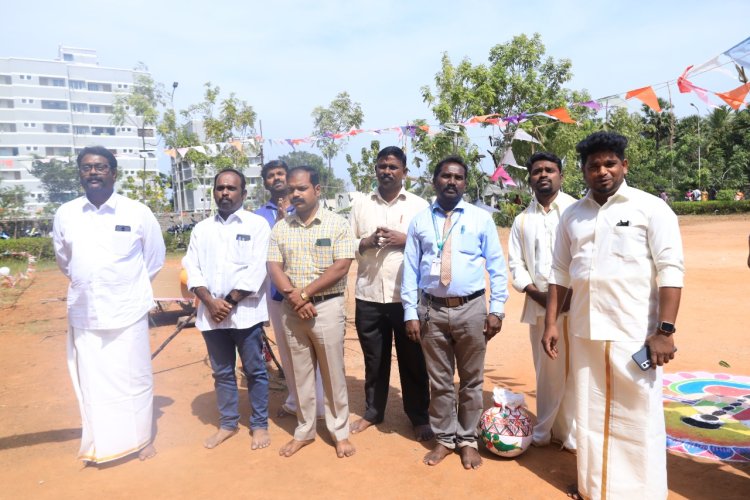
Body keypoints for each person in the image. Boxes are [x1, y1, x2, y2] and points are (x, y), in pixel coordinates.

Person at [542, 131, 684, 499]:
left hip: (634, 333)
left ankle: (641, 492)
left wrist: (664, 331)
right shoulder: (572, 216)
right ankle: (595, 487)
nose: (602, 171)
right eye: (593, 166)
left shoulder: (650, 208)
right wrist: (551, 323)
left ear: (624, 165)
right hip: (585, 331)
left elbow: (671, 270)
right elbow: (559, 273)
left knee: (638, 415)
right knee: (589, 413)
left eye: (609, 163)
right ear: (584, 171)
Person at [53, 145, 165, 464]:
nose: (93, 172)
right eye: (87, 167)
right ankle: (100, 442)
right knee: (93, 380)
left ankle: (141, 439)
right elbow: (65, 262)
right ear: (80, 174)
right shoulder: (66, 213)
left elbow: (154, 260)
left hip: (128, 310)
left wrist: (124, 285)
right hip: (86, 311)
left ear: (114, 173)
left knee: (135, 377)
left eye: (100, 167)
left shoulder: (137, 211)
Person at [402, 155, 509, 470]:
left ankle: (467, 441)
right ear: (434, 181)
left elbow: (497, 268)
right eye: (446, 176)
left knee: (472, 381)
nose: (452, 182)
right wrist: (410, 312)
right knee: (441, 381)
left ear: (465, 183)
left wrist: (497, 310)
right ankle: (445, 439)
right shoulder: (421, 221)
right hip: (431, 311)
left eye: (458, 177)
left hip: (472, 310)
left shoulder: (480, 219)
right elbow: (410, 270)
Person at [267, 165, 356, 458]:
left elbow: (341, 266)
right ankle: (304, 431)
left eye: (302, 188)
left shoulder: (337, 224)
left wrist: (304, 294)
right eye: (291, 189)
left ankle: (339, 432)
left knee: (333, 374)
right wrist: (295, 298)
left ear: (317, 190)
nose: (295, 193)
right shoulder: (281, 227)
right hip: (293, 311)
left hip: (327, 308)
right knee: (300, 375)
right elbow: (273, 267)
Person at [183, 168, 271, 450]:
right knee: (222, 372)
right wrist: (210, 302)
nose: (225, 193)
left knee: (255, 371)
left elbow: (258, 269)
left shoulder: (257, 225)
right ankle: (228, 423)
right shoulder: (201, 229)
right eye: (220, 188)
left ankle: (259, 425)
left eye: (231, 188)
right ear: (213, 192)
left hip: (245, 314)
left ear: (243, 194)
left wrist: (229, 302)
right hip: (211, 315)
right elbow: (191, 267)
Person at [349, 146, 432, 441]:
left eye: (393, 167)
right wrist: (367, 240)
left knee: (413, 359)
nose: (387, 171)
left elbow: (431, 247)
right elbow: (348, 245)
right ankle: (373, 411)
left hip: (407, 298)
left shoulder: (419, 205)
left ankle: (419, 416)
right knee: (374, 358)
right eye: (382, 166)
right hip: (368, 294)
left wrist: (405, 239)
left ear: (405, 172)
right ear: (376, 170)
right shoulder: (360, 205)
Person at [508, 152, 576, 451]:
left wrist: (570, 295)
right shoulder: (522, 220)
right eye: (537, 171)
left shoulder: (577, 210)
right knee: (547, 371)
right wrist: (538, 294)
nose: (543, 175)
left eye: (550, 170)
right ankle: (545, 431)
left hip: (578, 305)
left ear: (561, 175)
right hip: (538, 307)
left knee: (578, 370)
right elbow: (516, 264)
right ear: (530, 179)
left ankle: (573, 434)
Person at [254, 160, 325, 420]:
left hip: (311, 291)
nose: (276, 179)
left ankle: (321, 405)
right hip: (277, 293)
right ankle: (296, 402)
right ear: (265, 183)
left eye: (280, 173)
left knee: (318, 351)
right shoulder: (258, 216)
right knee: (288, 351)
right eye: (270, 176)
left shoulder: (307, 206)